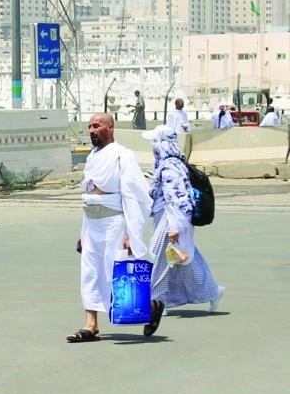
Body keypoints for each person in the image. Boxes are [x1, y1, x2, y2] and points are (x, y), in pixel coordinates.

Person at [67, 113, 151, 343]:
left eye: (96, 126)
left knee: (115, 273)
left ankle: (151, 307)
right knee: (90, 272)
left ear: (111, 128)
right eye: (89, 127)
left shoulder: (123, 156)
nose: (92, 130)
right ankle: (91, 325)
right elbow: (90, 196)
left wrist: (130, 234)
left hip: (114, 223)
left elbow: (133, 196)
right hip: (91, 223)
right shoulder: (93, 157)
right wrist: (83, 232)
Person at [142, 125, 225, 329]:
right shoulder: (174, 164)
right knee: (182, 259)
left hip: (170, 219)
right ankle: (212, 291)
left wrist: (175, 226)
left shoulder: (170, 167)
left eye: (155, 143)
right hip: (172, 218)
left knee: (158, 257)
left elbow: (176, 198)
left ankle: (155, 301)